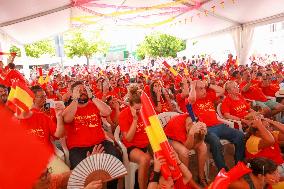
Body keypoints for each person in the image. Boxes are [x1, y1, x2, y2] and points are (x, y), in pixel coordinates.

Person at [62, 81, 120, 188]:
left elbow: (107, 112)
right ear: (73, 93)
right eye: (79, 91)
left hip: (100, 143)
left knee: (114, 165)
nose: (82, 92)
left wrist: (92, 97)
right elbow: (67, 118)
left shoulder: (94, 104)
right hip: (78, 148)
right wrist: (75, 99)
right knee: (84, 173)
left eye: (84, 90)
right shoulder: (70, 108)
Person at [187, 80, 245, 171]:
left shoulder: (208, 97)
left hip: (219, 126)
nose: (204, 91)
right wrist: (193, 85)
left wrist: (208, 84)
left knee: (240, 135)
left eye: (204, 88)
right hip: (206, 129)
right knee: (215, 141)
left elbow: (222, 90)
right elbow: (192, 98)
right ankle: (222, 169)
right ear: (194, 90)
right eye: (201, 89)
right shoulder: (191, 101)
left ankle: (239, 164)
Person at [119, 85, 151, 189]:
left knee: (163, 155)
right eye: (137, 109)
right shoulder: (124, 114)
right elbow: (128, 138)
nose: (139, 111)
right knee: (145, 159)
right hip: (132, 146)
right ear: (130, 106)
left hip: (146, 144)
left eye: (141, 108)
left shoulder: (145, 111)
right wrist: (135, 119)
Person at [164, 113, 208, 186]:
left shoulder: (198, 120)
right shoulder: (177, 123)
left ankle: (201, 177)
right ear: (187, 127)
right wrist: (191, 134)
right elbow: (187, 147)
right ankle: (185, 177)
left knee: (203, 147)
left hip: (187, 137)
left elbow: (200, 141)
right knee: (184, 152)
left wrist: (203, 135)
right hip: (170, 138)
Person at [244, 113, 284, 180]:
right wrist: (259, 124)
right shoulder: (252, 141)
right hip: (269, 174)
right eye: (266, 128)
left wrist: (270, 121)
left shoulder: (271, 134)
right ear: (256, 132)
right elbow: (270, 141)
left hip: (279, 167)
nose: (270, 130)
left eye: (269, 126)